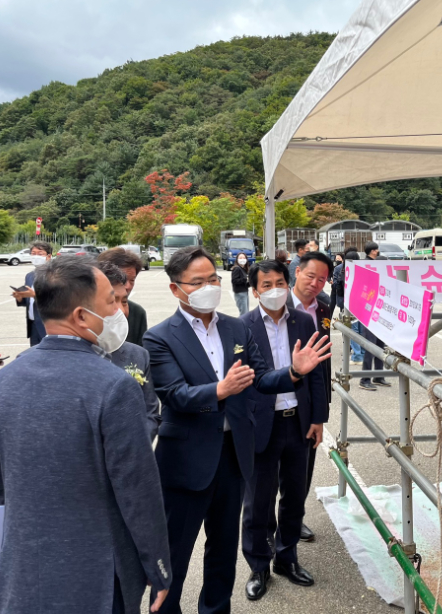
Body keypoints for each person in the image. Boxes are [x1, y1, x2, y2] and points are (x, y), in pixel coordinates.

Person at [143, 246, 331, 614]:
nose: (208, 287)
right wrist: (220, 390)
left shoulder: (233, 327)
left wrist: (294, 372)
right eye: (197, 282)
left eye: (212, 279)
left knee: (223, 549)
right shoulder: (160, 337)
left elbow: (261, 378)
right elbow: (174, 394)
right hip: (186, 460)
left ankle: (215, 608)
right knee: (176, 551)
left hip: (233, 453)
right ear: (175, 289)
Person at [0, 257, 171, 614]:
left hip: (24, 566)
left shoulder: (3, 381)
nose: (120, 309)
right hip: (97, 570)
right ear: (82, 317)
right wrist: (158, 564)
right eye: (111, 302)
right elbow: (137, 491)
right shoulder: (113, 386)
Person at [241, 260, 328, 601]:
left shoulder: (304, 321)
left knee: (294, 496)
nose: (275, 289)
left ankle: (286, 558)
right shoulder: (242, 327)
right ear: (254, 290)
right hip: (262, 424)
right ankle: (258, 564)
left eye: (280, 281)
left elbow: (317, 374)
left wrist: (318, 418)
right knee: (258, 500)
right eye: (266, 284)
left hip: (299, 421)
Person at [287, 251, 333, 543]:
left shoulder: (325, 307)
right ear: (297, 273)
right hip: (276, 398)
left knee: (303, 468)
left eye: (322, 279)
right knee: (268, 475)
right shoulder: (276, 303)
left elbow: (324, 358)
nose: (315, 283)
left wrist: (321, 411)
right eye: (310, 276)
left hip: (311, 399)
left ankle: (295, 517)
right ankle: (268, 529)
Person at [98, 260, 161, 441]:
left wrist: (135, 448)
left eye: (124, 301)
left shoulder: (138, 355)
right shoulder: (70, 357)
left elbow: (150, 412)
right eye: (111, 301)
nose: (121, 310)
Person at [98, 247, 148, 345]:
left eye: (132, 280)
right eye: (123, 279)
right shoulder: (89, 310)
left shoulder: (137, 313)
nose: (128, 286)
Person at [359, 242, 390, 391]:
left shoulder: (384, 280)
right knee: (370, 348)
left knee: (380, 347)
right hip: (370, 317)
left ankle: (378, 376)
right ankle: (365, 379)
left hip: (381, 318)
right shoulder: (369, 279)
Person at [12, 241, 52, 346]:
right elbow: (28, 301)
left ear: (48, 256)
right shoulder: (29, 276)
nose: (36, 256)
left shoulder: (55, 275)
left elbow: (58, 299)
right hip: (33, 324)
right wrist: (20, 297)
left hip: (48, 325)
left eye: (40, 254)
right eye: (33, 253)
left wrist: (35, 295)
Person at [329, 253, 345, 318]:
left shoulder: (342, 267)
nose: (337, 260)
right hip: (334, 290)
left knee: (342, 307)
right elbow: (328, 275)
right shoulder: (333, 267)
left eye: (339, 258)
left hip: (340, 291)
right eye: (336, 259)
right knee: (331, 306)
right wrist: (329, 280)